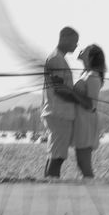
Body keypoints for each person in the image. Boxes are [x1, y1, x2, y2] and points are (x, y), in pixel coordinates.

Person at [41, 26, 79, 178]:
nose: (76, 46)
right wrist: (80, 99)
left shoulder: (58, 58)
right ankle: (52, 187)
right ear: (65, 39)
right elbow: (59, 88)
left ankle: (48, 184)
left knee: (54, 154)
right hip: (59, 112)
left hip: (56, 111)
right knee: (58, 156)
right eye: (74, 42)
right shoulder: (56, 59)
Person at [72, 44, 106, 178]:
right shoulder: (86, 74)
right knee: (81, 163)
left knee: (83, 163)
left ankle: (93, 189)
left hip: (86, 121)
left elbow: (91, 104)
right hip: (81, 120)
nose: (81, 49)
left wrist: (69, 91)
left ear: (91, 57)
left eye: (85, 49)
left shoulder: (92, 76)